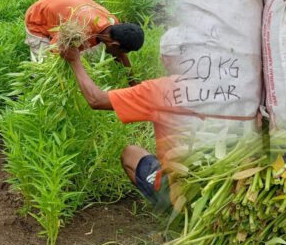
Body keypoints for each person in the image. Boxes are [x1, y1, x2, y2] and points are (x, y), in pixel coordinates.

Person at [60, 45, 197, 210]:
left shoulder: (160, 90)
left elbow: (96, 99)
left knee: (130, 154)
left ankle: (171, 207)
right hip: (220, 179)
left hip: (184, 187)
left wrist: (75, 61)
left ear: (165, 60)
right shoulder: (223, 85)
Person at [24, 0, 144, 64]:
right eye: (123, 51)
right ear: (114, 45)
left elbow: (120, 55)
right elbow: (56, 52)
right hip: (39, 17)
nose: (121, 55)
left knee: (84, 55)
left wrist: (132, 82)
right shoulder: (77, 31)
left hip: (64, 3)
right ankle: (32, 88)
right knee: (43, 64)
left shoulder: (113, 24)